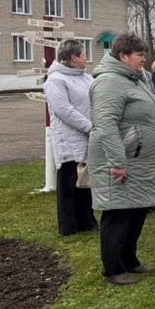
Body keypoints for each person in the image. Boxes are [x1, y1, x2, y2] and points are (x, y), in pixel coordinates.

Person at [88, 33, 155, 285]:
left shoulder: (136, 79)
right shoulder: (109, 82)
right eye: (139, 55)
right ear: (123, 56)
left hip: (139, 160)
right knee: (118, 213)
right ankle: (112, 269)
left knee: (136, 210)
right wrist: (118, 162)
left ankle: (129, 260)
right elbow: (105, 125)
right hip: (121, 161)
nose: (144, 59)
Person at [44, 39, 99, 236]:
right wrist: (88, 126)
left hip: (87, 137)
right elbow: (63, 109)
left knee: (84, 181)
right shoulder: (56, 80)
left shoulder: (86, 77)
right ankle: (69, 226)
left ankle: (87, 221)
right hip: (68, 139)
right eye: (84, 54)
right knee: (68, 182)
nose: (86, 58)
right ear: (74, 57)